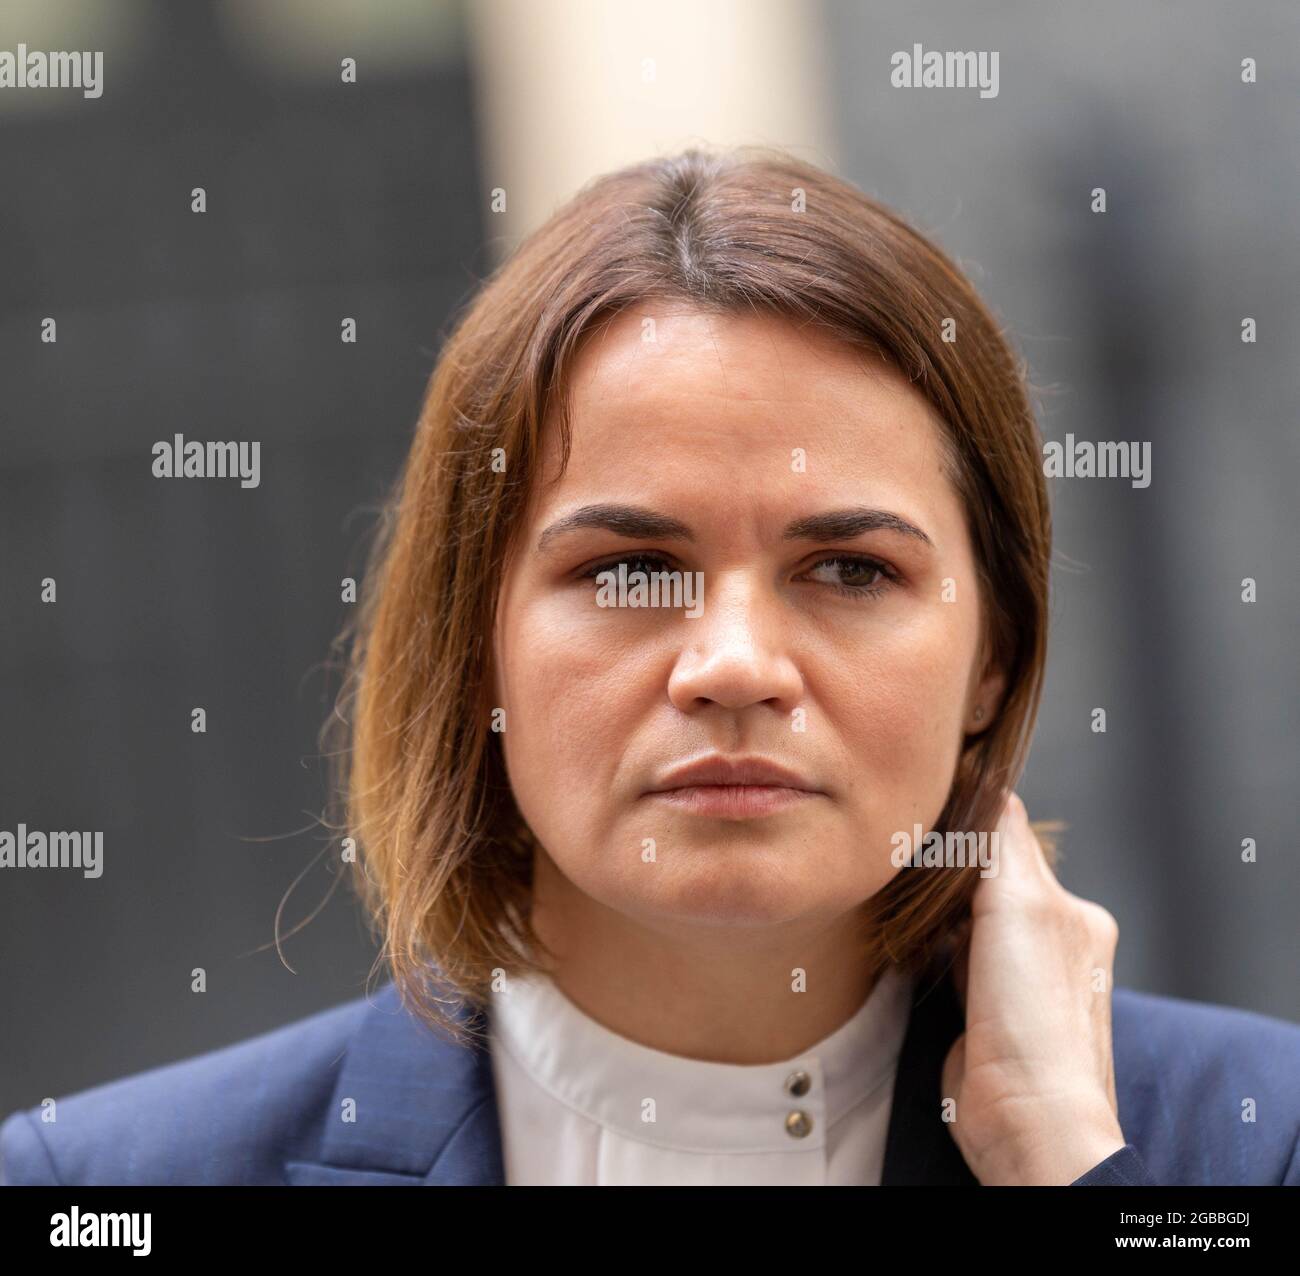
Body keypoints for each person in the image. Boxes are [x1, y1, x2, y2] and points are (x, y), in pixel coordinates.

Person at [4, 146, 1298, 1187]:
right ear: (473, 646)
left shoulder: (1253, 1140)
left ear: (992, 665)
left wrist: (1062, 1163)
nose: (734, 666)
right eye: (628, 569)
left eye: (850, 570)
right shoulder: (103, 1186)